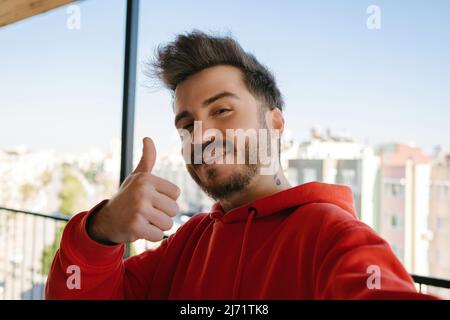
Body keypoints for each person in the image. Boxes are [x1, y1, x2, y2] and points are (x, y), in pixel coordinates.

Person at [46, 31, 437, 300]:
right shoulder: (189, 241)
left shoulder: (335, 238)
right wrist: (101, 232)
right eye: (186, 126)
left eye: (222, 110)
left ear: (275, 123)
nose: (200, 135)